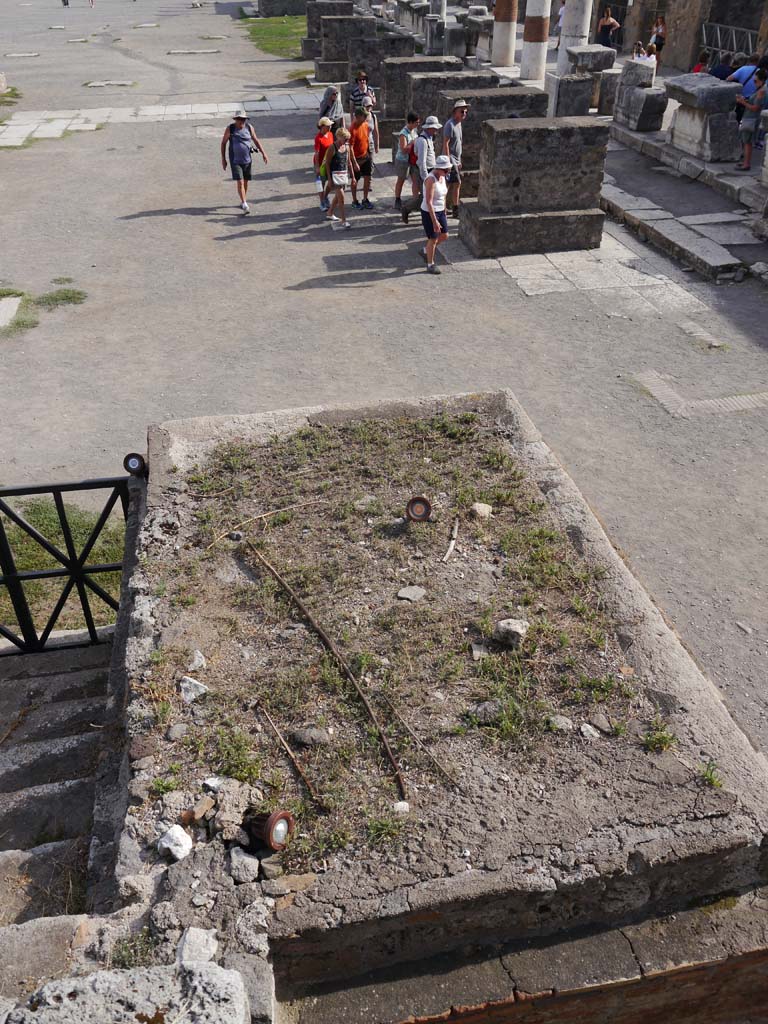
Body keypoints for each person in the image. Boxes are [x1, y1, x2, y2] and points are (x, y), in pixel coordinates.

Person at [220, 109, 268, 215]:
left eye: (243, 119)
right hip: (235, 160)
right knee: (240, 182)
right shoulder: (230, 129)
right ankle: (245, 203)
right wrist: (223, 159)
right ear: (235, 119)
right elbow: (223, 143)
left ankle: (243, 200)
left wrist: (263, 153)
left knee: (246, 181)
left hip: (247, 160)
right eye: (239, 119)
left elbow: (256, 140)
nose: (241, 121)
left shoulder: (249, 128)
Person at [401, 114, 441, 224]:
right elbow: (421, 161)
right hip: (423, 172)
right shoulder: (422, 141)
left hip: (429, 170)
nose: (436, 130)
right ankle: (407, 208)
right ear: (429, 128)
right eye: (434, 128)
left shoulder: (429, 138)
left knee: (429, 196)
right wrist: (426, 178)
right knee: (424, 197)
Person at [420, 155, 452, 275]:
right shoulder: (430, 179)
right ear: (438, 168)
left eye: (448, 169)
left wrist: (443, 211)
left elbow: (443, 195)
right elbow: (429, 201)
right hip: (429, 212)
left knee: (445, 235)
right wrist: (434, 221)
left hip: (440, 210)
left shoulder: (442, 177)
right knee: (433, 238)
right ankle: (430, 264)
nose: (447, 171)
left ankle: (426, 250)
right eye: (445, 170)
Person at [322, 127, 358, 230]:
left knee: (338, 197)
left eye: (347, 139)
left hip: (343, 175)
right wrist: (329, 179)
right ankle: (344, 220)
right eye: (345, 139)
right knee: (341, 198)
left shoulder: (346, 147)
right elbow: (327, 164)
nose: (346, 141)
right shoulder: (332, 148)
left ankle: (330, 212)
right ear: (339, 137)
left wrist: (353, 177)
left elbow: (349, 162)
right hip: (335, 176)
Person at [735, 67, 767, 170]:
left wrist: (742, 102)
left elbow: (755, 108)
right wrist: (745, 100)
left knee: (748, 141)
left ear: (761, 80)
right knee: (745, 140)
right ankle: (745, 162)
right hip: (750, 117)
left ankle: (746, 164)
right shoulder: (760, 89)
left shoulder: (762, 91)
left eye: (755, 81)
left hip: (752, 118)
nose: (754, 83)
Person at [442, 99, 468, 219]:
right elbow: (446, 143)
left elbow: (459, 143)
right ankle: (454, 208)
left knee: (448, 185)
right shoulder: (450, 125)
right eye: (462, 111)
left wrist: (460, 160)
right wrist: (449, 162)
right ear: (455, 112)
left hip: (455, 160)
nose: (464, 114)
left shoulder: (458, 124)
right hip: (450, 159)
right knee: (456, 183)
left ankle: (445, 208)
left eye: (465, 111)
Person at [349, 107, 374, 209]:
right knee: (355, 180)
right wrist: (354, 163)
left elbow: (366, 140)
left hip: (366, 156)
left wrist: (369, 154)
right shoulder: (352, 129)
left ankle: (365, 199)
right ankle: (354, 201)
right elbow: (350, 147)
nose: (366, 118)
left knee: (367, 178)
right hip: (357, 159)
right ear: (358, 116)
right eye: (364, 116)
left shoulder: (365, 125)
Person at [394, 112, 420, 209]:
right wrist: (413, 143)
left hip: (412, 160)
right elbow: (404, 149)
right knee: (401, 180)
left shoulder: (414, 131)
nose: (418, 124)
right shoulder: (403, 134)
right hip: (403, 161)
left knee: (415, 181)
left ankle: (415, 201)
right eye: (416, 122)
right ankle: (397, 199)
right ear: (411, 122)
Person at [313, 116, 335, 212]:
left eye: (330, 125)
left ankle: (325, 197)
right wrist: (317, 167)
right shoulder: (318, 138)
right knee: (321, 183)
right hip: (321, 164)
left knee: (331, 182)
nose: (330, 127)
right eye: (328, 126)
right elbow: (317, 153)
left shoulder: (330, 134)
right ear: (322, 126)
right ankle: (322, 202)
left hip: (329, 162)